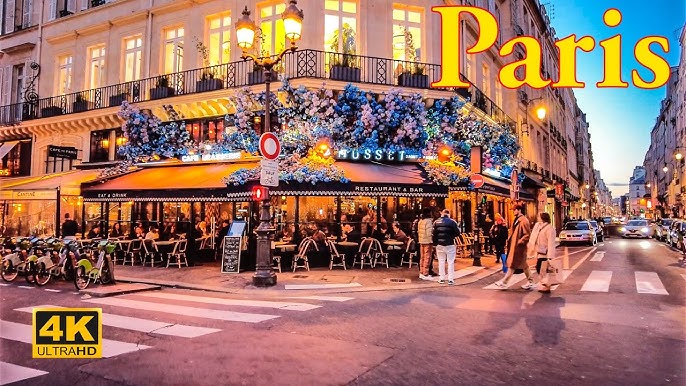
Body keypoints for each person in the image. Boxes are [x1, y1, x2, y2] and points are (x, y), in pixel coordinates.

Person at [495, 204, 532, 289]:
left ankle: (504, 283)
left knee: (512, 265)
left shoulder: (524, 221)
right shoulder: (516, 220)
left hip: (519, 247)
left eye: (514, 210)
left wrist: (520, 242)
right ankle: (531, 281)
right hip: (514, 246)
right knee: (523, 265)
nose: (513, 211)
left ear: (519, 210)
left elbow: (527, 234)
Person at [527, 212, 556, 292]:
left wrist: (550, 256)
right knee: (540, 269)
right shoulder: (539, 226)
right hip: (540, 252)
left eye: (539, 217)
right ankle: (546, 285)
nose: (537, 218)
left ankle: (546, 285)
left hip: (545, 253)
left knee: (541, 269)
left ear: (543, 218)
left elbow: (551, 243)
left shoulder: (550, 228)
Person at [432, 209, 460, 285]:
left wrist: (435, 242)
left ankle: (442, 278)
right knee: (450, 262)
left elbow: (433, 234)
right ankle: (450, 279)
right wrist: (451, 236)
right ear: (448, 214)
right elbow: (457, 233)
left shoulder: (436, 222)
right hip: (450, 243)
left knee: (441, 261)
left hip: (440, 244)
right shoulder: (452, 222)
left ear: (442, 214)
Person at [417, 208, 434, 280]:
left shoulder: (420, 221)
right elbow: (429, 233)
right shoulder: (429, 221)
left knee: (422, 257)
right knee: (427, 257)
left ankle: (421, 272)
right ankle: (425, 273)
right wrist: (432, 241)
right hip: (427, 241)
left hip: (421, 241)